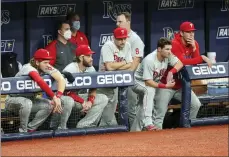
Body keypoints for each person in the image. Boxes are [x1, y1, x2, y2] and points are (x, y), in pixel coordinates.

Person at [153, 21, 213, 130]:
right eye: (188, 32)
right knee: (159, 114)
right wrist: (202, 58)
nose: (191, 34)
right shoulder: (174, 44)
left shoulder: (194, 44)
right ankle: (156, 140)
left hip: (181, 85)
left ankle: (185, 132)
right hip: (166, 83)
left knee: (195, 105)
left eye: (193, 32)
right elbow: (181, 63)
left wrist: (195, 49)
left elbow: (194, 64)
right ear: (181, 33)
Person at [5, 49, 74, 132]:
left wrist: (58, 96)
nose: (47, 65)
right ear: (37, 62)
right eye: (45, 62)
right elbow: (40, 81)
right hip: (13, 101)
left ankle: (30, 129)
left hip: (30, 100)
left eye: (48, 62)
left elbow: (61, 79)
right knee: (27, 103)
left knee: (49, 105)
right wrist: (54, 97)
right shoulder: (28, 68)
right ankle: (22, 131)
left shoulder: (44, 66)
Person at [130, 37, 183, 131]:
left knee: (143, 107)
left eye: (170, 49)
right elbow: (148, 82)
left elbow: (180, 64)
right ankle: (148, 123)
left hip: (151, 82)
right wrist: (165, 86)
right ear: (159, 49)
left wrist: (171, 72)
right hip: (137, 82)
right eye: (167, 49)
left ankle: (134, 131)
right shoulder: (149, 60)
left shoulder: (168, 56)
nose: (169, 52)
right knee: (149, 90)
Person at [62, 45, 108, 128]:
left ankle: (85, 125)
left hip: (78, 99)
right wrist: (83, 102)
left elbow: (93, 88)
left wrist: (90, 101)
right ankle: (61, 127)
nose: (92, 58)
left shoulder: (91, 69)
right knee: (69, 101)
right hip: (65, 99)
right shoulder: (70, 69)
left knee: (103, 98)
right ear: (81, 58)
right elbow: (65, 92)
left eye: (91, 56)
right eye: (88, 56)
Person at [98, 27, 133, 126]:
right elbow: (109, 67)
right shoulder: (108, 46)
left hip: (116, 82)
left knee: (110, 111)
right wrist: (124, 62)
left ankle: (105, 131)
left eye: (124, 38)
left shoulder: (128, 45)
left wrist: (116, 66)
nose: (122, 41)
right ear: (114, 38)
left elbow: (130, 65)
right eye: (119, 39)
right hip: (103, 83)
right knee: (102, 110)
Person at [116, 12, 145, 127]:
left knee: (130, 108)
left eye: (120, 21)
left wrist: (126, 78)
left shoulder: (134, 39)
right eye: (117, 21)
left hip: (132, 79)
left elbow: (135, 62)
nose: (117, 24)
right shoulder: (116, 37)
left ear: (128, 22)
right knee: (120, 108)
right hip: (119, 78)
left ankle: (134, 135)